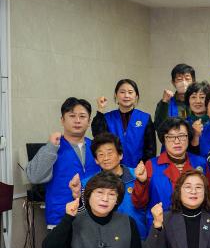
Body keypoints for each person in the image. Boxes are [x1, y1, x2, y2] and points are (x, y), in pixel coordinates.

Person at [28, 98, 102, 227]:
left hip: (92, 219)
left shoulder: (95, 147)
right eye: (72, 116)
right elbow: (34, 177)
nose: (77, 120)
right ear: (62, 120)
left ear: (89, 121)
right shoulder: (53, 147)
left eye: (82, 116)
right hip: (60, 218)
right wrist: (51, 147)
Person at [132, 117, 210, 228]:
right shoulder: (151, 165)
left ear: (188, 138)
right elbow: (139, 204)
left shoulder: (200, 163)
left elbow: (208, 197)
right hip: (162, 226)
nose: (177, 141)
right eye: (170, 137)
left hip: (195, 225)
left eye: (182, 136)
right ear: (163, 140)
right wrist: (141, 182)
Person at [70, 133, 147, 239]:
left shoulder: (139, 176)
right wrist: (77, 197)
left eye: (110, 153)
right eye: (100, 154)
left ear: (120, 155)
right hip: (105, 240)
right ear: (96, 160)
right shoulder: (88, 183)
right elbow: (83, 215)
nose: (106, 158)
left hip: (138, 235)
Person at [91, 79, 155, 167]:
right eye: (122, 92)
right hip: (111, 171)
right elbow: (97, 136)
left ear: (136, 96)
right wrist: (100, 109)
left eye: (130, 92)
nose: (126, 95)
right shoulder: (107, 117)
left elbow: (150, 149)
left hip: (138, 171)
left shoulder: (145, 118)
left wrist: (143, 167)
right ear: (116, 95)